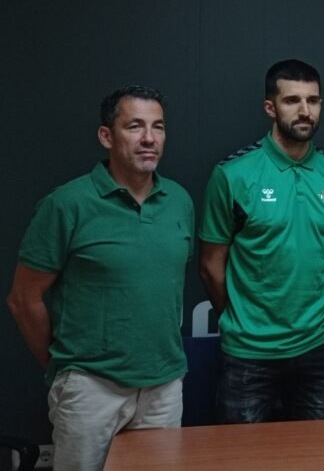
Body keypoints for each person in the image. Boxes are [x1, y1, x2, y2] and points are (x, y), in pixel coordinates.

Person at [7, 85, 193, 471]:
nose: (148, 138)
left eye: (158, 127)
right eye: (135, 127)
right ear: (107, 136)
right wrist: (67, 369)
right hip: (91, 389)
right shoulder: (67, 204)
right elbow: (24, 299)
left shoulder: (180, 200)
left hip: (163, 388)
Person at [198, 59, 324, 423]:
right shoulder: (233, 175)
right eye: (292, 100)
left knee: (319, 455)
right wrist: (242, 319)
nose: (304, 111)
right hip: (249, 352)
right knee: (242, 459)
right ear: (270, 107)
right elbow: (210, 264)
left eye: (313, 101)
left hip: (321, 347)